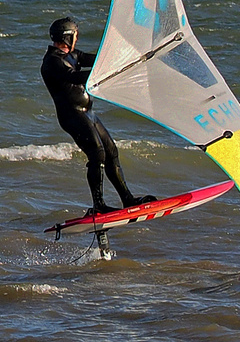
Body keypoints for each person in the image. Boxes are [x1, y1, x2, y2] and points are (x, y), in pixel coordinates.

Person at [41, 16, 155, 214]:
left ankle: (127, 199)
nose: (77, 37)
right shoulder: (52, 62)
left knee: (111, 151)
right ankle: (98, 205)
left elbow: (97, 59)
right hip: (72, 116)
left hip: (88, 113)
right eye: (75, 34)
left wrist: (129, 57)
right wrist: (103, 72)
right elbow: (74, 77)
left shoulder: (73, 55)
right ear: (68, 37)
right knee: (97, 154)